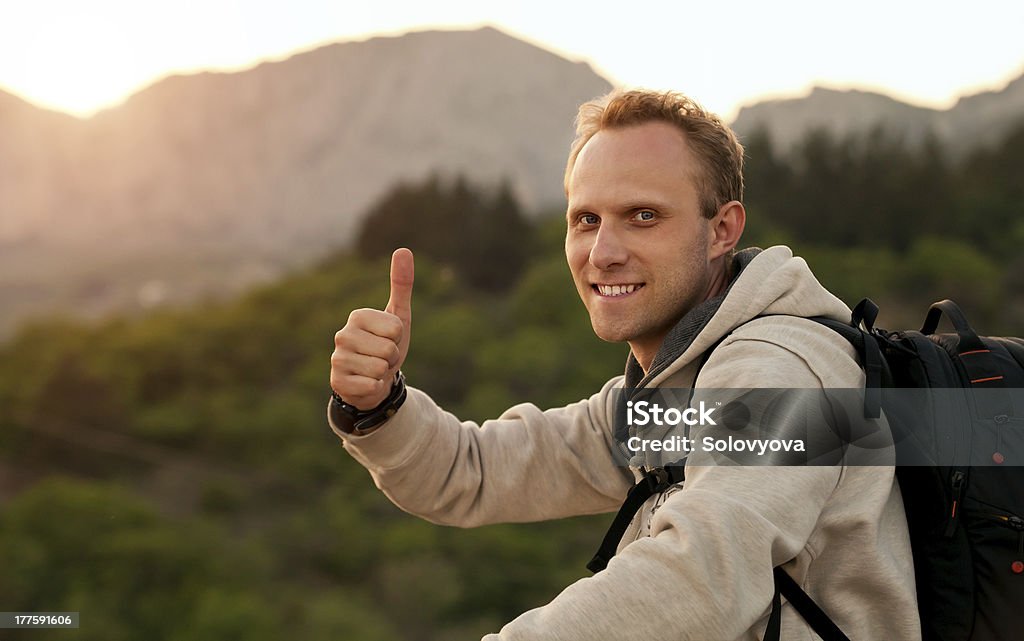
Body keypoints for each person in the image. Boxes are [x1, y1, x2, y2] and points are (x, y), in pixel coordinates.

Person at [327, 90, 921, 640]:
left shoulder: (782, 371)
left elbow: (700, 577)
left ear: (721, 230)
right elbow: (472, 472)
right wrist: (377, 406)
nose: (603, 254)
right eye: (586, 220)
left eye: (643, 215)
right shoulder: (669, 397)